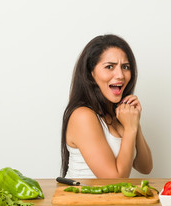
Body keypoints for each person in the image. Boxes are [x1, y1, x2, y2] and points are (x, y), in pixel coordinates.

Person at [61, 34, 153, 178]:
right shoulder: (83, 116)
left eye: (125, 67)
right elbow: (114, 180)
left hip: (109, 200)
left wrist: (134, 123)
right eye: (109, 67)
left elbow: (145, 167)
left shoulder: (118, 114)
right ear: (91, 73)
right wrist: (129, 129)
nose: (120, 75)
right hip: (81, 199)